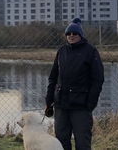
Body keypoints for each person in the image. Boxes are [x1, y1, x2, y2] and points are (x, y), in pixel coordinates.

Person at [45, 18, 104, 150]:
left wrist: (91, 102)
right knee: (61, 141)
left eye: (75, 33)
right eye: (68, 33)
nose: (71, 36)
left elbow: (98, 78)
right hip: (61, 105)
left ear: (81, 35)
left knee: (82, 142)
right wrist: (49, 100)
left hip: (81, 106)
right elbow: (53, 78)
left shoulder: (90, 51)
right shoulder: (61, 51)